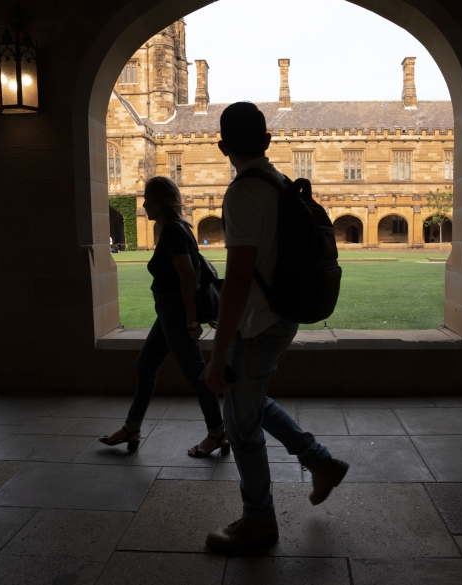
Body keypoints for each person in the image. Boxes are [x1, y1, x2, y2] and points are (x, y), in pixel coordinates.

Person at [200, 102, 349, 555]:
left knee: (240, 425)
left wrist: (218, 350)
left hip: (260, 321)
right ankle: (320, 462)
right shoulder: (280, 182)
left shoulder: (243, 191)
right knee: (251, 401)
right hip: (282, 313)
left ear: (223, 146)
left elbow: (239, 277)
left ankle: (259, 521)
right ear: (267, 141)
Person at [99, 176, 228, 459]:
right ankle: (132, 427)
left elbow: (188, 276)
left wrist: (191, 321)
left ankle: (217, 432)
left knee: (197, 375)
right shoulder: (179, 227)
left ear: (159, 202)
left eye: (148, 199)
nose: (143, 204)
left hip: (175, 312)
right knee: (146, 365)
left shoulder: (172, 230)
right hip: (168, 311)